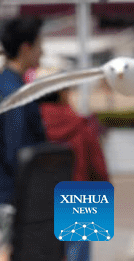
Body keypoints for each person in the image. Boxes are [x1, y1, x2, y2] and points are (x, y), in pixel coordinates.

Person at [0, 18, 46, 250]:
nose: (43, 51)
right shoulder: (16, 93)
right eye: (40, 45)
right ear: (25, 48)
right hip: (15, 195)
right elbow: (18, 151)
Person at [38, 74, 109, 261]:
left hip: (42, 198)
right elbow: (97, 166)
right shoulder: (79, 123)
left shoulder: (34, 124)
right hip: (80, 198)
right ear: (61, 92)